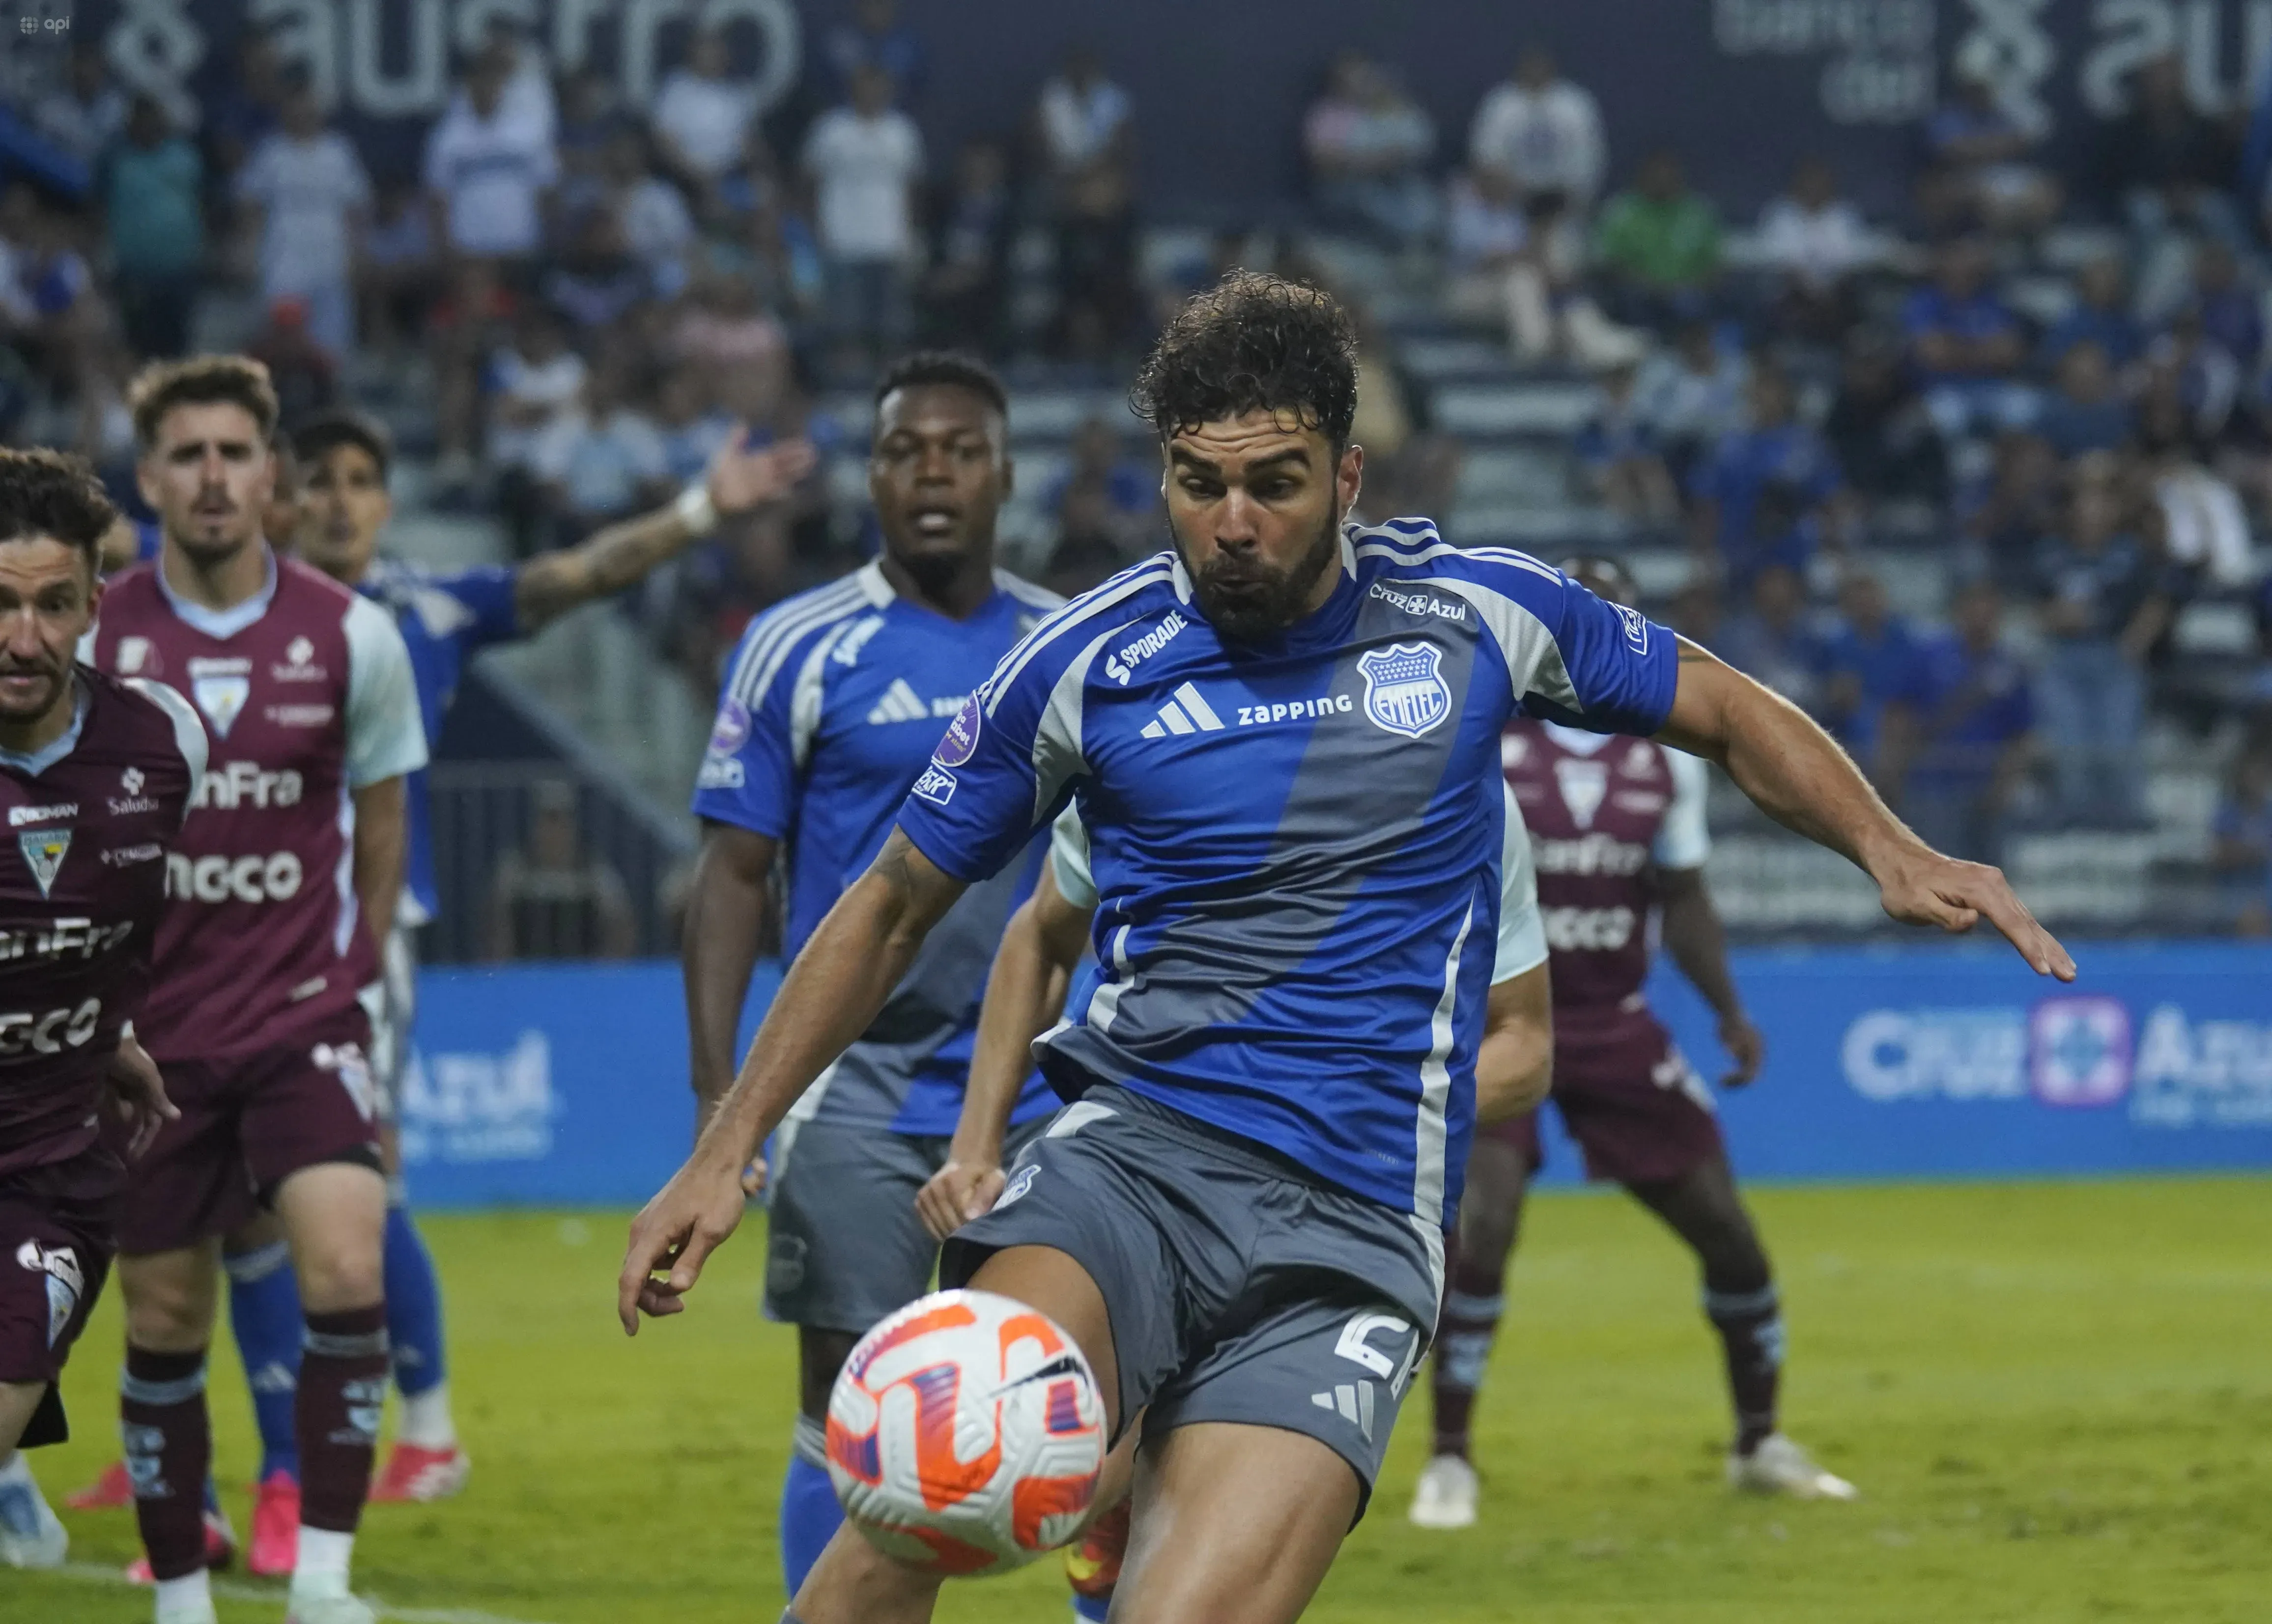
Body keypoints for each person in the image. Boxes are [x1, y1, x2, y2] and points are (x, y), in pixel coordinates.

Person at [618, 272, 2073, 1624]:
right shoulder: (1084, 664)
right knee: (913, 1510)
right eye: (1197, 484)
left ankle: (1122, 1491)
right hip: (1125, 1169)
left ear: (1347, 478)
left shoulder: (1471, 615)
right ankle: (1082, 1475)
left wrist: (1888, 846)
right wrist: (722, 1148)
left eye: (1273, 481)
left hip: (1354, 1230)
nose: (1231, 522)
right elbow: (888, 902)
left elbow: (1720, 704)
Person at [917, 791, 1554, 1618]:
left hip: (1344, 1211)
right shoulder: (1136, 734)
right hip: (1132, 1163)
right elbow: (1043, 929)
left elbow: (1524, 1044)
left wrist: (1351, 1102)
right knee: (996, 1472)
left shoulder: (1465, 788)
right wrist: (975, 1144)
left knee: (1188, 1554)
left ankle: (1114, 1535)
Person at [676, 351, 1062, 1600]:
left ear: (1005, 474)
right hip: (851, 1092)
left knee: (1088, 1397)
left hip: (1045, 1093)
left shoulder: (1069, 644)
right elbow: (732, 877)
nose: (932, 473)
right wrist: (721, 1101)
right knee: (855, 1408)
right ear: (872, 477)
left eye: (960, 450)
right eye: (905, 451)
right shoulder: (796, 645)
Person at [88, 356, 428, 1624]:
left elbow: (383, 819)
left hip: (304, 1019)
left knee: (346, 1264)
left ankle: (324, 1581)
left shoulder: (351, 634)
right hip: (152, 1040)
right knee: (164, 1314)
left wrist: (356, 975)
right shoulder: (98, 636)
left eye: (236, 453)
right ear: (149, 478)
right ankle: (182, 1593)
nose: (214, 477)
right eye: (189, 455)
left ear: (269, 472)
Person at [1412, 558, 1854, 1527]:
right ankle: (1448, 1458)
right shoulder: (1483, 734)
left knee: (1726, 1231)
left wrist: (1726, 1009)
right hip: (1501, 1019)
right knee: (1481, 1228)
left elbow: (1680, 895)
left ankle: (1758, 1441)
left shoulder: (1664, 756)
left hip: (1614, 1024)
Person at [0, 449, 201, 1572]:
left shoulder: (162, 746)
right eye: (0, 603)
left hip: (49, 1168)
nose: (23, 637)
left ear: (93, 606)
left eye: (52, 604)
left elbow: (133, 920)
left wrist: (115, 1031)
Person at [1877, 578, 2034, 866]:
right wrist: (1892, 770)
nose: (1981, 614)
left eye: (1988, 607)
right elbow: (1899, 714)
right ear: (1959, 611)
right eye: (1974, 606)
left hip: (1987, 787)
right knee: (1936, 868)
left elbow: (2021, 735)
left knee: (1988, 873)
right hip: (1932, 783)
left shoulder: (2011, 666)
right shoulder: (1929, 656)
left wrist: (2005, 785)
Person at [235, 76, 372, 361]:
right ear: (286, 111)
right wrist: (248, 248)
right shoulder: (271, 152)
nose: (302, 114)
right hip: (284, 253)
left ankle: (329, 386)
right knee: (282, 333)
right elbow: (250, 203)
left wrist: (357, 253)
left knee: (331, 341)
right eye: (296, 108)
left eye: (308, 107)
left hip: (330, 252)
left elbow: (355, 207)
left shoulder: (338, 151)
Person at [802, 65, 925, 375]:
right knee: (845, 326)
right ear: (852, 90)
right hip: (842, 240)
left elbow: (911, 188)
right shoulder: (831, 130)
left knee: (892, 328)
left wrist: (910, 234)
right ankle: (848, 386)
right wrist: (816, 229)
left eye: (878, 87)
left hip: (890, 240)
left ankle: (891, 384)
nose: (872, 94)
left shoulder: (902, 131)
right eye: (865, 87)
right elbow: (809, 182)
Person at [422, 48, 559, 269]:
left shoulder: (528, 131)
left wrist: (548, 243)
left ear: (502, 86)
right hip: (469, 250)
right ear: (468, 86)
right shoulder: (448, 137)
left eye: (492, 82)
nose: (486, 89)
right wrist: (445, 249)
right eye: (479, 82)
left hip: (522, 246)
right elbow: (438, 197)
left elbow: (547, 189)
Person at [98, 96, 206, 362]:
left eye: (153, 118)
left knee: (178, 345)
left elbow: (206, 202)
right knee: (138, 344)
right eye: (141, 119)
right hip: (134, 272)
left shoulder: (186, 156)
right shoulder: (115, 159)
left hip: (180, 269)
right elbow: (96, 207)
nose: (148, 125)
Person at [481, 780, 636, 959]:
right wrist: (502, 962)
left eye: (561, 822)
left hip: (582, 968)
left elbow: (621, 921)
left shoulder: (594, 870)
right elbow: (495, 918)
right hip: (527, 968)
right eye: (548, 821)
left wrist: (610, 963)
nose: (554, 831)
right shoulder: (515, 868)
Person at [1303, 52, 1438, 248]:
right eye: (1350, 78)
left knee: (1424, 203)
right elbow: (1321, 160)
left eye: (1363, 77)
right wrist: (1366, 161)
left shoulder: (1392, 110)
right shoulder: (1327, 114)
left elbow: (1415, 146)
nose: (1357, 84)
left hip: (1398, 179)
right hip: (1349, 186)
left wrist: (1389, 158)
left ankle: (1422, 241)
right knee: (1378, 204)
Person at [1467, 45, 1607, 216]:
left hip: (1562, 203)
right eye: (1531, 66)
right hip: (1510, 204)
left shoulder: (1575, 105)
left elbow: (1588, 160)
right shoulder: (1501, 104)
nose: (1536, 72)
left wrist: (1570, 200)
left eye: (1541, 66)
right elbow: (1486, 157)